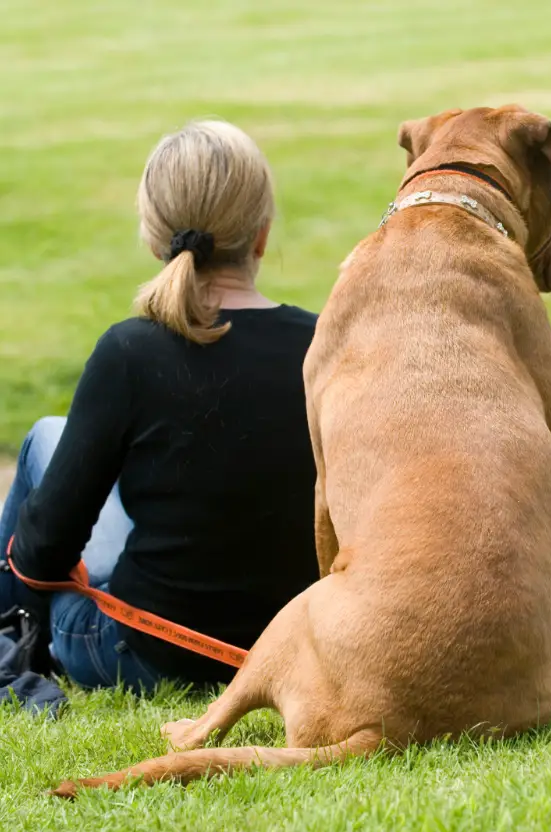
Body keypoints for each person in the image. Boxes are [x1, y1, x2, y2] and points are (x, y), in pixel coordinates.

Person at [0, 120, 322, 693]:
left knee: (45, 438)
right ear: (262, 235)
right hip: (292, 645)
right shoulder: (321, 344)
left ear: (155, 238)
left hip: (143, 649)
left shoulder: (131, 350)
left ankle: (11, 632)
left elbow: (46, 547)